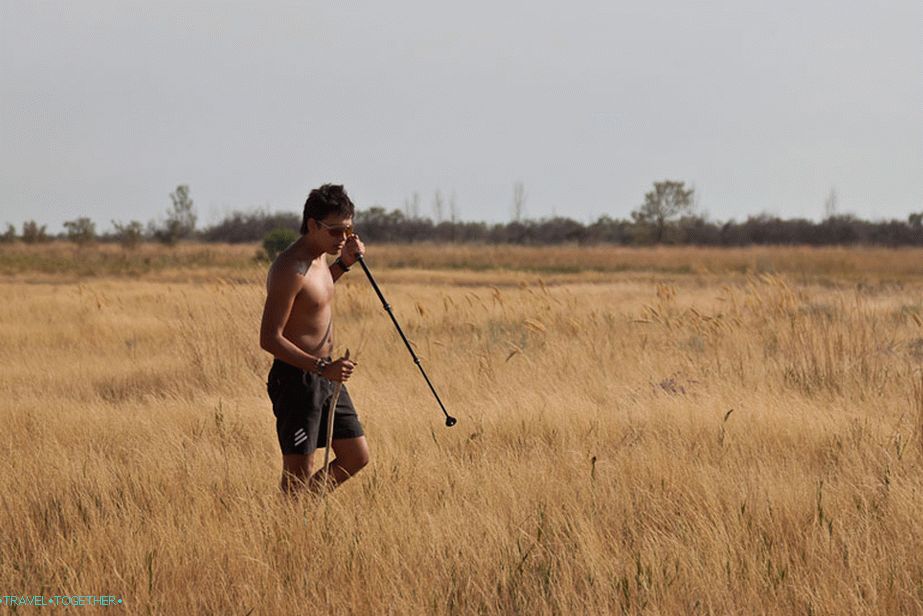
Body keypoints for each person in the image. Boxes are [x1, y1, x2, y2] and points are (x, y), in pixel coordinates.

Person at [259, 184, 368, 494]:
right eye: (336, 231)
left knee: (355, 456)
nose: (343, 239)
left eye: (349, 231)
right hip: (298, 379)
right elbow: (269, 338)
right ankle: (290, 530)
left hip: (327, 374)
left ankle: (302, 513)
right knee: (298, 474)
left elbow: (314, 296)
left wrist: (344, 263)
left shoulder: (321, 259)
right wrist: (321, 368)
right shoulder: (289, 268)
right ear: (312, 225)